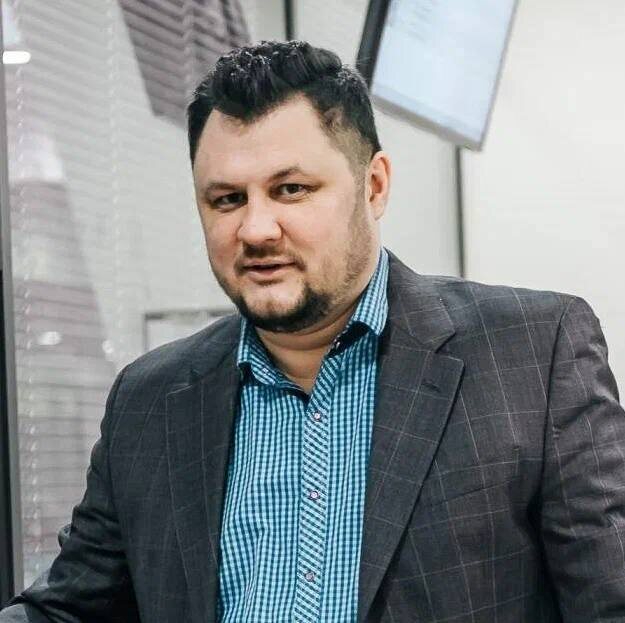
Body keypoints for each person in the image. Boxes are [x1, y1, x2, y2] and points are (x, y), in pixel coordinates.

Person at [2, 39, 625, 623]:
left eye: (291, 189)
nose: (256, 230)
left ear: (373, 186)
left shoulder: (533, 354)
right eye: (226, 200)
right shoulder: (149, 399)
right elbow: (70, 609)